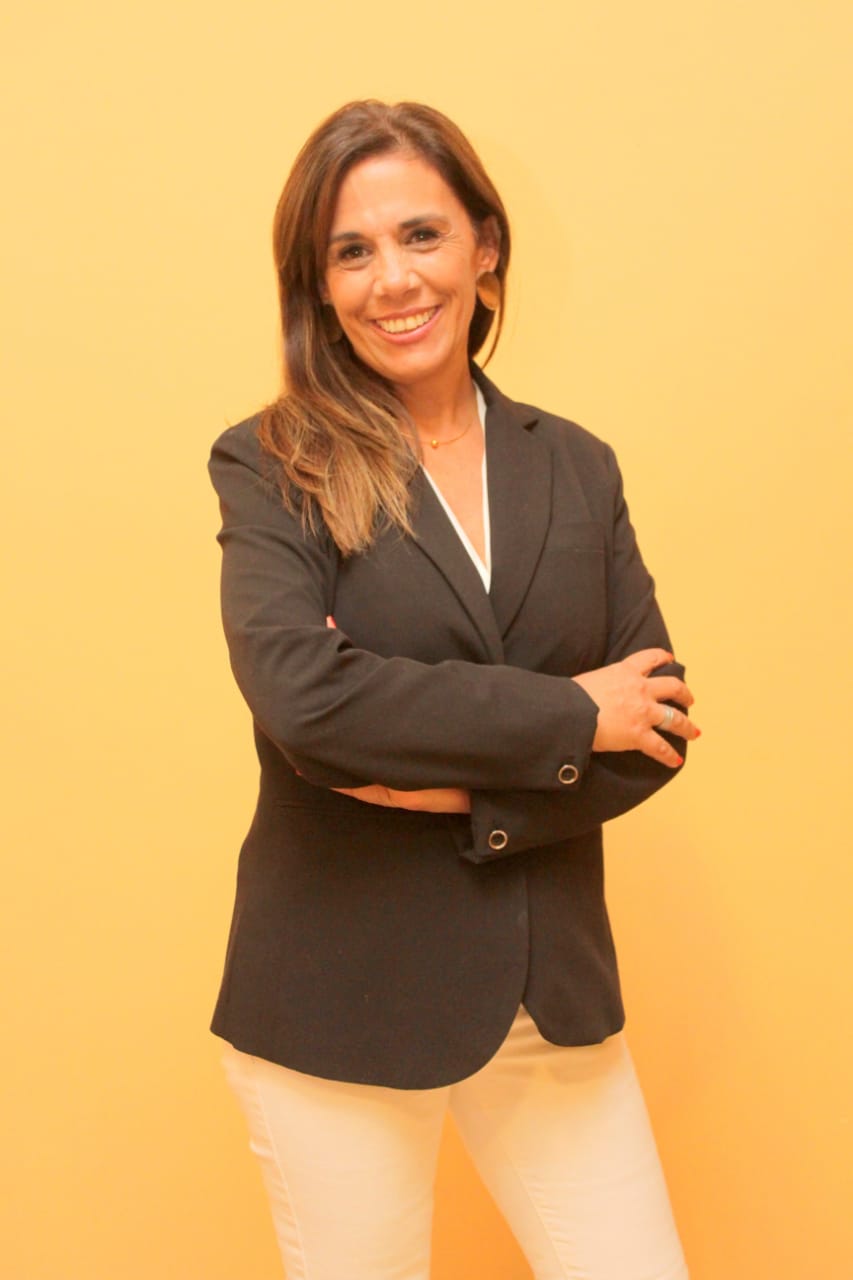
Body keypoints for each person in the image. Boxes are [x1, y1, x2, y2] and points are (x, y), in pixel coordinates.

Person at [209, 99, 698, 1280]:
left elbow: (658, 722)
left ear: (485, 244)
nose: (393, 279)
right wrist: (570, 714)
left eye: (420, 234)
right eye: (351, 250)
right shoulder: (274, 462)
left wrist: (453, 787)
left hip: (548, 986)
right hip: (340, 996)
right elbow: (306, 698)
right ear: (319, 285)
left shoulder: (574, 463)